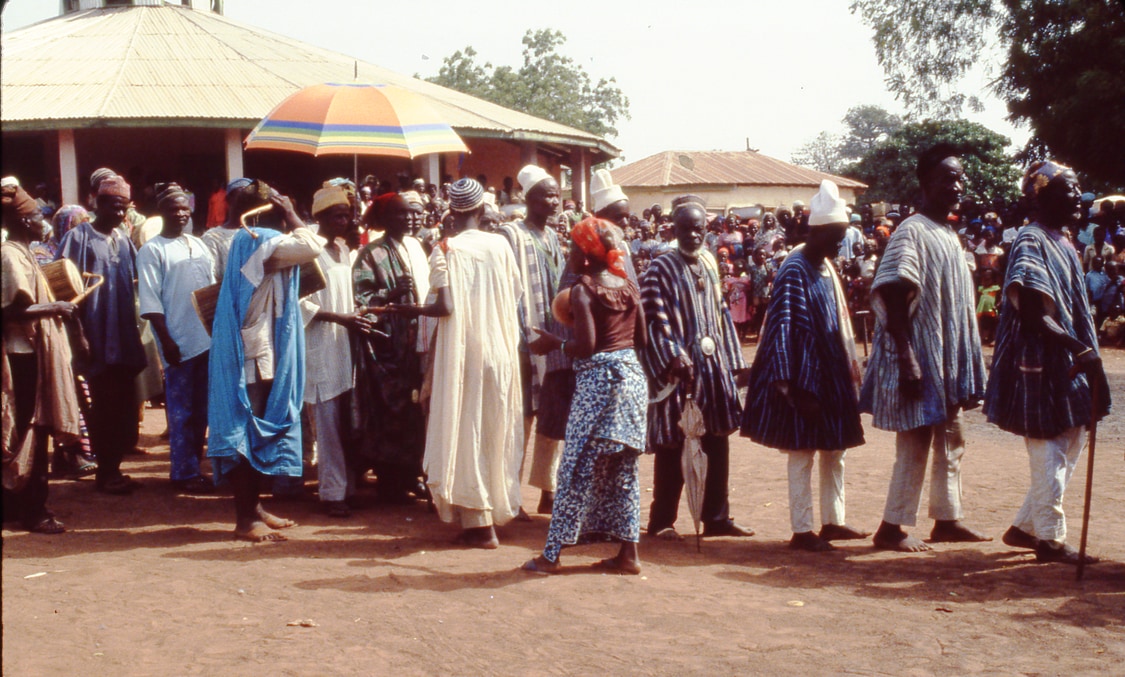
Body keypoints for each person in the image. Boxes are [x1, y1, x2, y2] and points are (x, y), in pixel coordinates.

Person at [859, 144, 991, 552]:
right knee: (915, 441)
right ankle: (891, 527)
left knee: (953, 437)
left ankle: (947, 519)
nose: (957, 185)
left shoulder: (948, 232)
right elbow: (894, 296)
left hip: (946, 359)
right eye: (947, 178)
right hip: (918, 356)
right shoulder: (911, 231)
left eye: (960, 178)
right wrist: (908, 358)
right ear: (925, 183)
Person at [985, 161, 1110, 565]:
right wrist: (1078, 348)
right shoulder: (1030, 240)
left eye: (1077, 189)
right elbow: (1034, 313)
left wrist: (1082, 352)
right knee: (1048, 446)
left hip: (1068, 360)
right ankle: (1050, 539)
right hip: (1038, 362)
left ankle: (1024, 528)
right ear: (1040, 197)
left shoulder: (1063, 240)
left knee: (1072, 437)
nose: (1077, 196)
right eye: (1067, 189)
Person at [391, 178, 524, 548]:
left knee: (466, 429)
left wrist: (408, 308)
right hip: (500, 350)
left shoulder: (446, 248)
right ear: (482, 210)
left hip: (465, 353)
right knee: (494, 427)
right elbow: (514, 294)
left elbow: (444, 307)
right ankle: (496, 509)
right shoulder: (500, 244)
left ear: (451, 211)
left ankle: (480, 525)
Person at [741, 181, 868, 552]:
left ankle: (834, 521)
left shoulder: (825, 265)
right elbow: (782, 330)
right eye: (833, 237)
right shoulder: (794, 269)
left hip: (831, 375)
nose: (838, 246)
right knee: (802, 453)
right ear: (815, 232)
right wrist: (793, 387)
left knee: (835, 450)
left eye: (841, 238)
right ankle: (802, 529)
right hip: (802, 377)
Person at [522, 218, 648, 574]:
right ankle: (629, 555)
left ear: (588, 255)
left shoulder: (584, 289)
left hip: (598, 385)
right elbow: (642, 341)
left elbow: (586, 346)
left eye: (575, 248)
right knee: (624, 470)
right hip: (632, 381)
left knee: (576, 467)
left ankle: (551, 556)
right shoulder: (627, 285)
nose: (570, 254)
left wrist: (555, 342)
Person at [206, 183, 321, 542]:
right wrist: (291, 212)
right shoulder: (261, 238)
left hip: (256, 344)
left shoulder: (246, 238)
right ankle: (244, 518)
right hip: (255, 351)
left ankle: (253, 508)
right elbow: (312, 246)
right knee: (249, 427)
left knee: (257, 425)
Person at [640, 195, 752, 540]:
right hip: (678, 374)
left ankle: (716, 517)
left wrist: (732, 362)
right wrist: (672, 354)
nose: (692, 235)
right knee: (674, 443)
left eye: (698, 229)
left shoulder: (707, 262)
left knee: (717, 441)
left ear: (707, 230)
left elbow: (720, 314)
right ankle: (662, 521)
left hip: (711, 369)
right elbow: (650, 320)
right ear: (674, 229)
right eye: (686, 229)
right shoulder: (660, 267)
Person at [55, 175, 147, 496]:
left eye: (125, 208)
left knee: (123, 407)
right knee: (103, 407)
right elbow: (62, 290)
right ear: (98, 203)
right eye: (114, 207)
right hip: (94, 338)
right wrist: (78, 336)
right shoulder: (77, 238)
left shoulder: (122, 239)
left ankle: (113, 469)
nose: (120, 214)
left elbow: (134, 282)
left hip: (121, 338)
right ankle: (105, 473)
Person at [2, 183, 81, 533]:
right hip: (23, 357)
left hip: (34, 354)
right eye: (37, 216)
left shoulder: (24, 251)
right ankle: (33, 509)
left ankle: (21, 505)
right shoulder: (9, 254)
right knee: (31, 430)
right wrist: (57, 306)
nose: (43, 221)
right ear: (22, 220)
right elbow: (14, 309)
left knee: (32, 429)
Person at [136, 184, 216, 494]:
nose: (181, 213)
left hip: (207, 339)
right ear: (162, 213)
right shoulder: (152, 250)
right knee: (181, 411)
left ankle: (194, 467)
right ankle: (183, 473)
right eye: (174, 209)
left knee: (202, 410)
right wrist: (167, 341)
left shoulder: (199, 245)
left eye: (185, 208)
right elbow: (151, 301)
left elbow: (210, 290)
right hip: (178, 341)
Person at [352, 192, 430, 502]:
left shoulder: (417, 247)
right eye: (401, 214)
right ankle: (389, 479)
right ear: (385, 219)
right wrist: (390, 293)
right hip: (388, 346)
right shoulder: (371, 253)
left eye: (413, 213)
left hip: (416, 342)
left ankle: (412, 472)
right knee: (390, 409)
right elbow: (360, 299)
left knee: (415, 408)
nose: (410, 219)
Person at [499, 165, 569, 515]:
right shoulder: (511, 234)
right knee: (520, 417)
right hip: (522, 340)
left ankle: (548, 489)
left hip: (552, 338)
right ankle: (511, 496)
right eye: (546, 194)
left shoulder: (553, 238)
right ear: (527, 198)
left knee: (551, 416)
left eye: (557, 194)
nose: (554, 201)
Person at [304, 187, 374, 517]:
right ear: (319, 218)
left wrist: (356, 314)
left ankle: (345, 486)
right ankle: (330, 494)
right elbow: (298, 302)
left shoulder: (344, 249)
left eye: (346, 215)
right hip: (319, 342)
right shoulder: (308, 250)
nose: (342, 221)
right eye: (335, 216)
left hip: (345, 346)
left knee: (345, 422)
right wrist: (338, 317)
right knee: (327, 423)